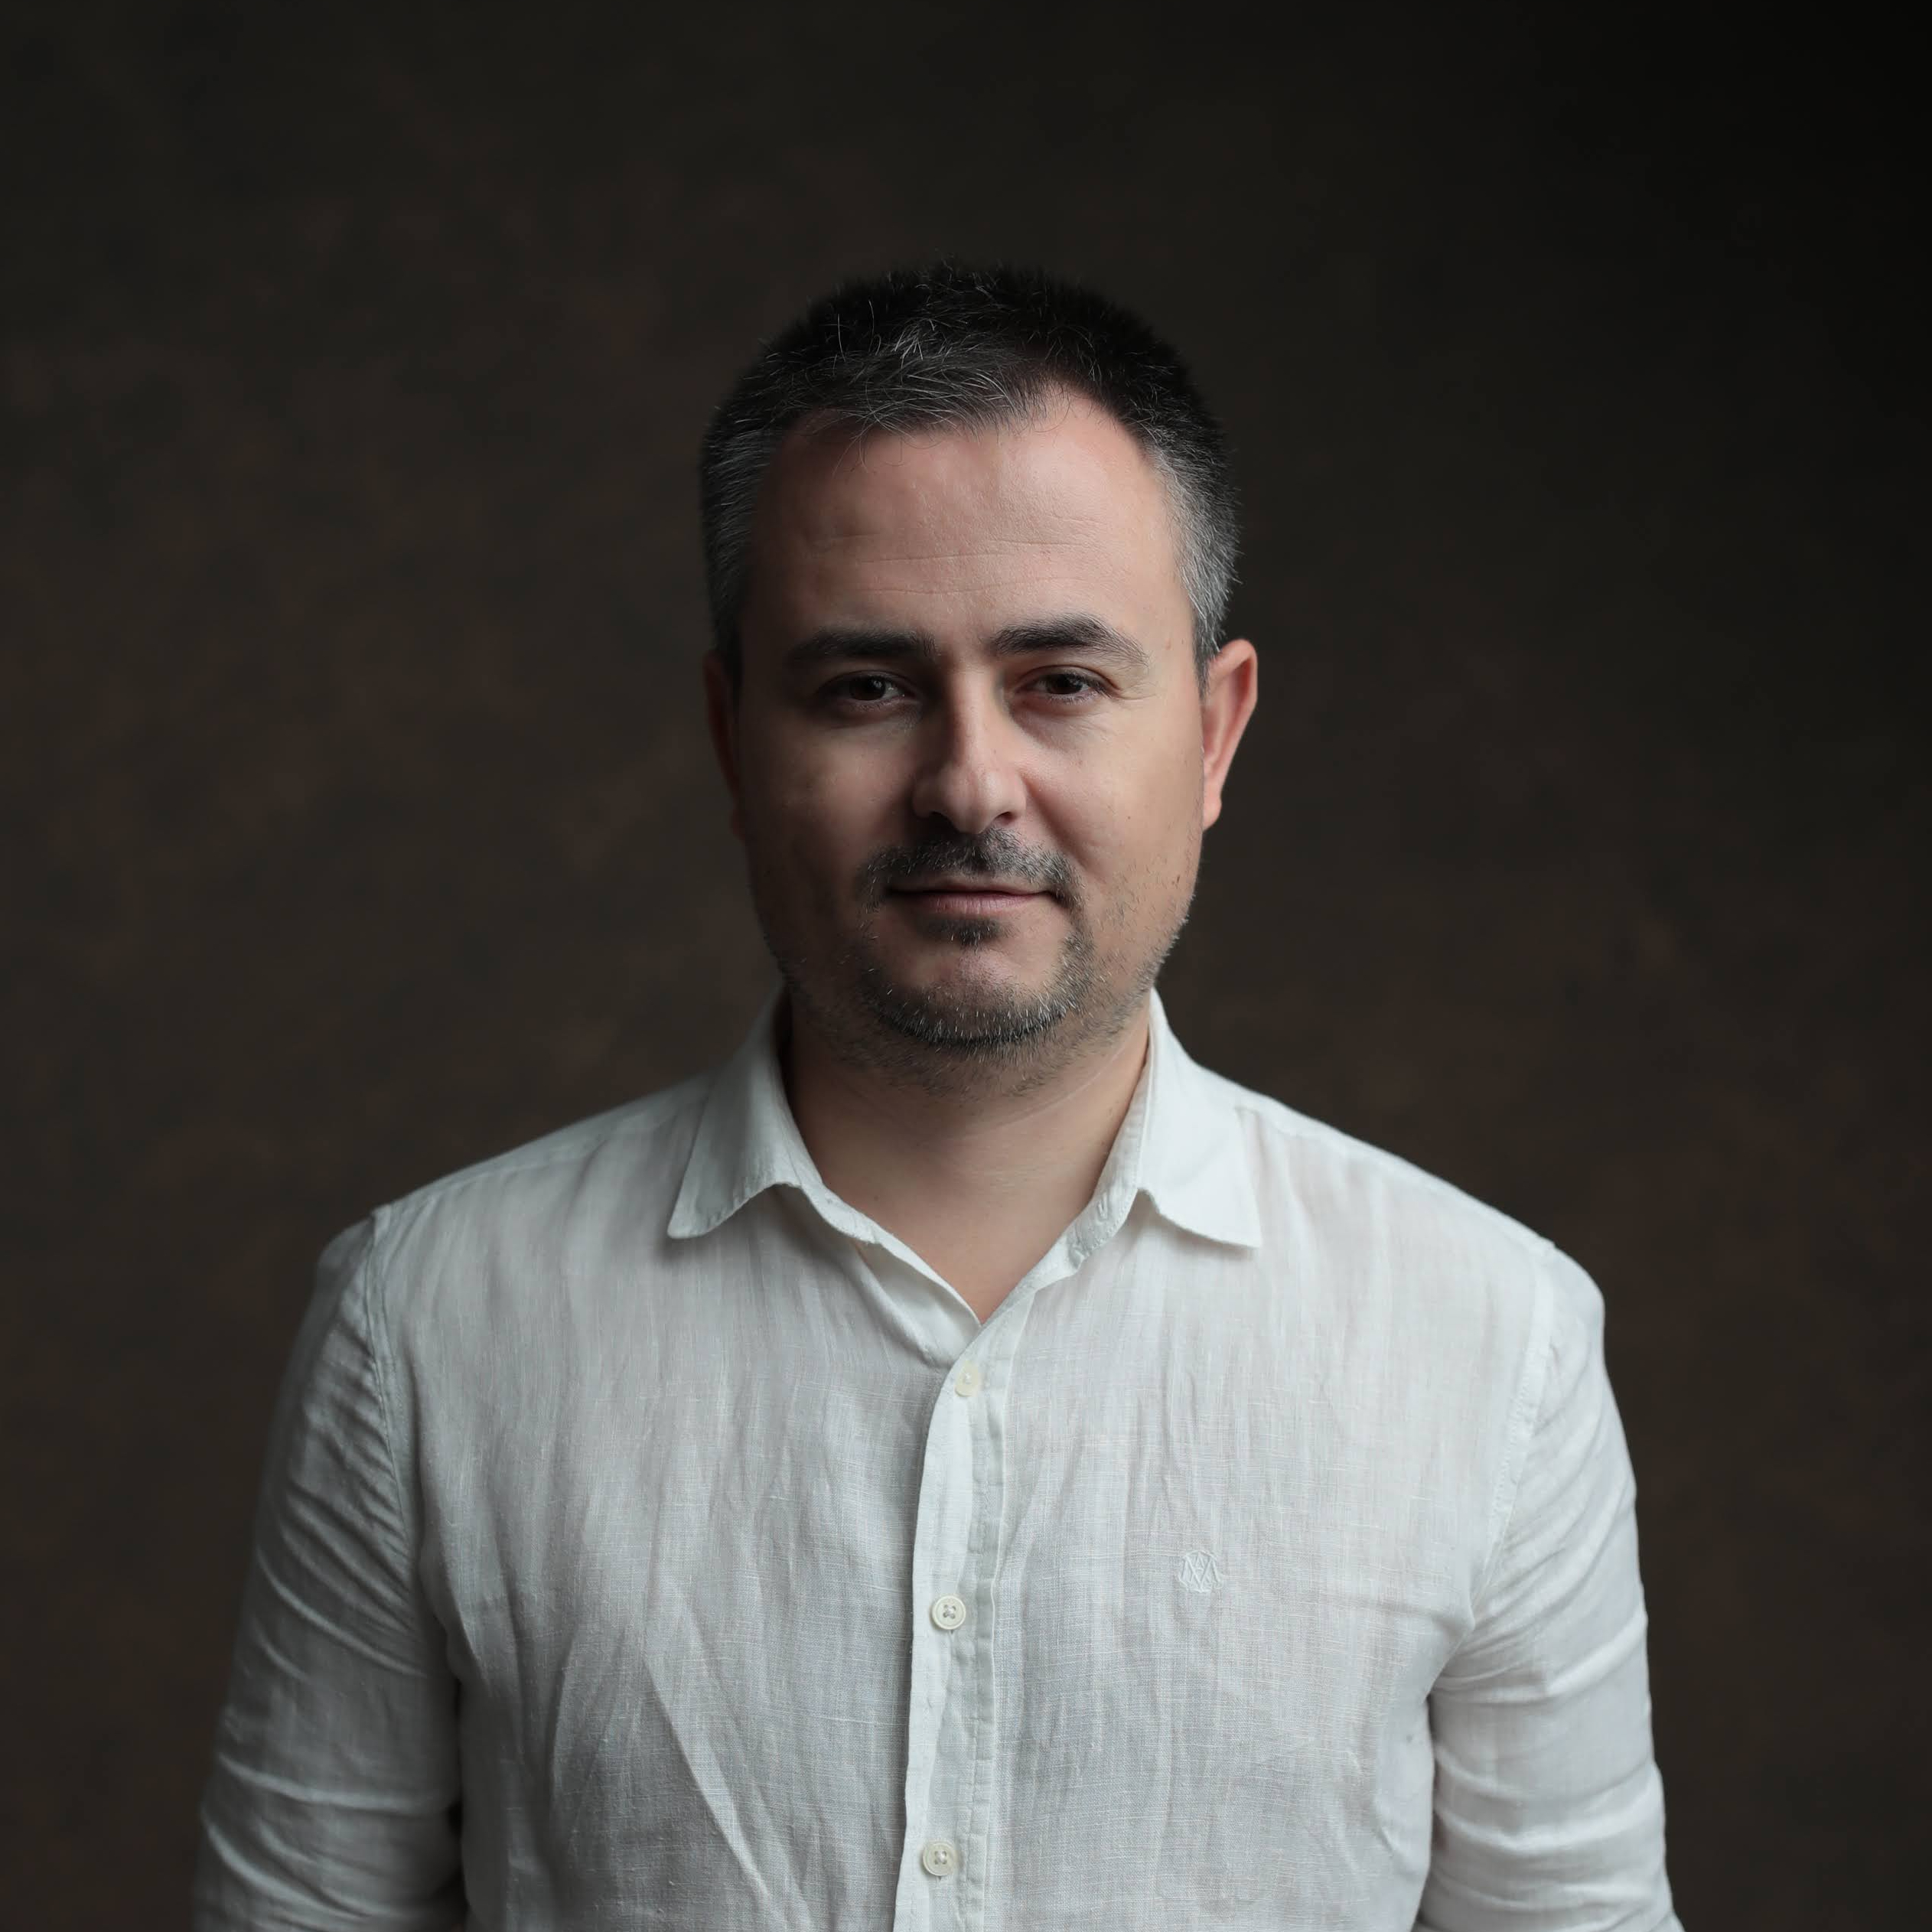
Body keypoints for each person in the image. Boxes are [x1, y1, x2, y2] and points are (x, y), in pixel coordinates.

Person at [192, 261, 1682, 1930]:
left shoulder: (1491, 1344)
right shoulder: (427, 1324)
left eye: (1061, 681)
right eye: (868, 687)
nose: (970, 782)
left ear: (1213, 733)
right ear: (731, 738)